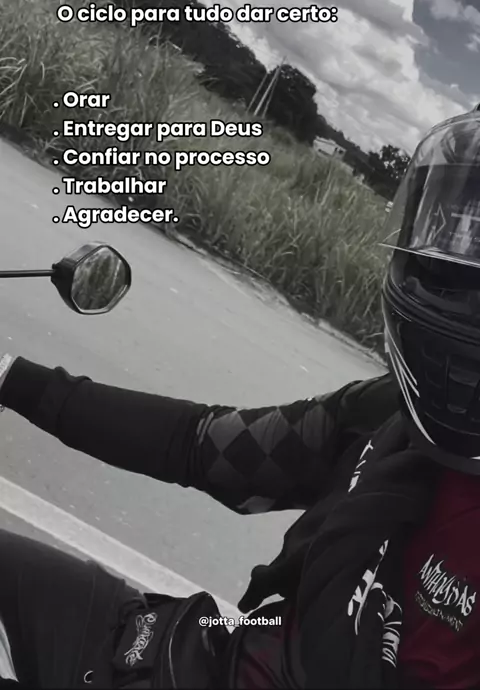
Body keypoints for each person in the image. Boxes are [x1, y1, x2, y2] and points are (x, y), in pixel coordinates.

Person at [0, 108, 480, 689]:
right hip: (181, 654)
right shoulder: (389, 416)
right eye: (462, 231)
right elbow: (203, 444)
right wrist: (10, 376)